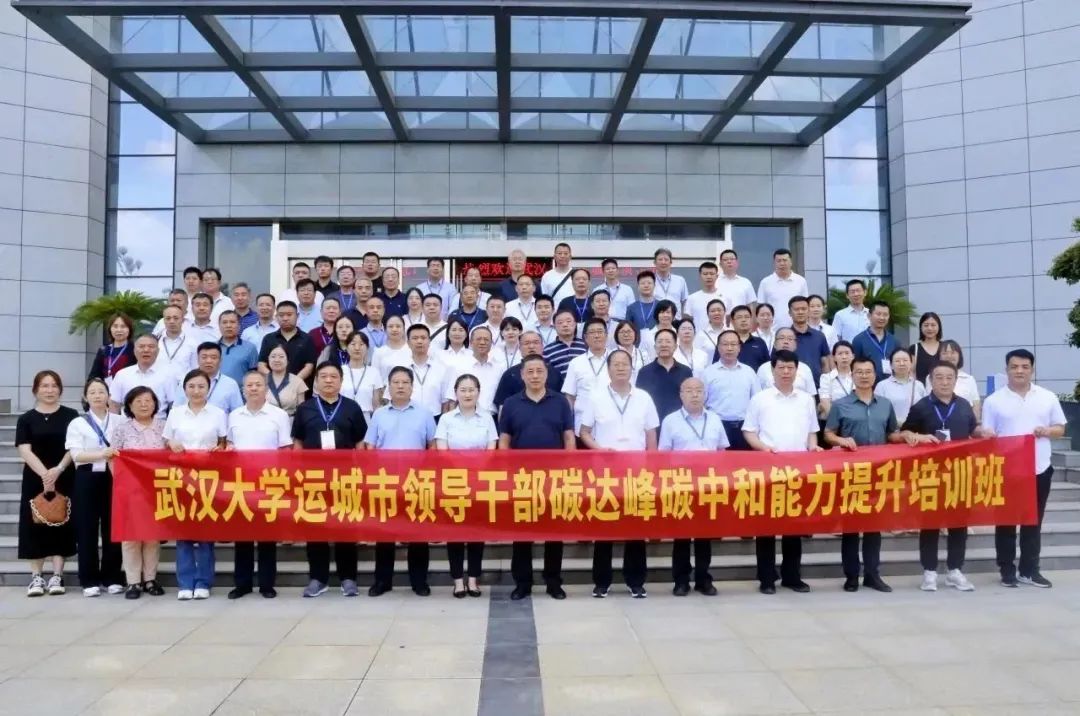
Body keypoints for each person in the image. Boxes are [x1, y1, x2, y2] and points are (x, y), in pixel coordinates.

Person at [983, 349, 1067, 589]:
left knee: (1033, 521)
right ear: (1006, 370)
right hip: (1006, 471)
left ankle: (1029, 570)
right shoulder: (994, 401)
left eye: (1024, 367)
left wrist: (1047, 431)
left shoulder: (1047, 397)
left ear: (1032, 369)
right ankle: (1006, 570)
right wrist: (988, 435)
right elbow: (987, 434)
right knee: (1006, 521)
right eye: (1014, 366)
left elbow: (1060, 428)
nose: (1019, 371)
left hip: (1039, 468)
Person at [580, 350, 660, 598]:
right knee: (604, 526)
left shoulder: (644, 397)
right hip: (605, 472)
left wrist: (652, 465)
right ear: (608, 369)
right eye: (616, 364)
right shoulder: (596, 397)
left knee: (635, 527)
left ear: (632, 368)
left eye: (625, 364)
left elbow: (651, 434)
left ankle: (635, 581)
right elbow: (584, 432)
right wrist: (599, 450)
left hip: (637, 471)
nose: (621, 368)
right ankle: (601, 582)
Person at [743, 349, 820, 594]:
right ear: (773, 370)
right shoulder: (760, 399)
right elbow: (749, 431)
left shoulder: (806, 399)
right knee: (766, 527)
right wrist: (764, 448)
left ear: (797, 370)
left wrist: (813, 447)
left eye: (790, 368)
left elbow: (812, 432)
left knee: (794, 527)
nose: (786, 372)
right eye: (781, 367)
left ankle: (792, 576)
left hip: (798, 471)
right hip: (768, 470)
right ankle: (766, 578)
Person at [824, 356, 903, 593]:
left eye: (868, 372)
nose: (864, 376)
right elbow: (828, 434)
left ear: (875, 375)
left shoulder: (885, 404)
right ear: (852, 375)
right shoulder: (841, 405)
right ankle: (851, 576)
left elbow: (891, 434)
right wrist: (841, 440)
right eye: (859, 372)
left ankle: (872, 574)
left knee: (873, 527)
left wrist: (907, 436)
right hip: (850, 473)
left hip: (878, 472)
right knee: (850, 527)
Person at [900, 361, 980, 592]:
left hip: (960, 473)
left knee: (959, 524)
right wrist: (916, 437)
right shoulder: (921, 407)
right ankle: (929, 572)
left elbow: (973, 430)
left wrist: (983, 432)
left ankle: (955, 570)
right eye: (939, 377)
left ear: (955, 380)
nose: (944, 382)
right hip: (929, 475)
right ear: (931, 381)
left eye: (949, 377)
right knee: (930, 524)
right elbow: (904, 432)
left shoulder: (964, 405)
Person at [499, 355, 573, 600]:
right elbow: (504, 440)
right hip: (522, 478)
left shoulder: (560, 402)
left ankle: (553, 582)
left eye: (539, 371)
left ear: (547, 374)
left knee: (555, 533)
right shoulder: (511, 403)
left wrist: (570, 468)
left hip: (555, 478)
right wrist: (505, 471)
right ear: (522, 375)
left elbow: (569, 437)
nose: (534, 376)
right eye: (529, 371)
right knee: (522, 534)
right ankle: (523, 583)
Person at [293, 362, 368, 598]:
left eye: (333, 376)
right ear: (315, 381)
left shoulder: (352, 408)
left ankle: (348, 578)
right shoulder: (305, 408)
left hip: (344, 478)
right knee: (315, 530)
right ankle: (318, 578)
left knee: (345, 529)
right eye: (323, 376)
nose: (328, 380)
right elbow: (298, 442)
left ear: (341, 381)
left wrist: (360, 473)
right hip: (313, 478)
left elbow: (360, 443)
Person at [365, 366, 436, 597]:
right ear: (389, 386)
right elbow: (370, 447)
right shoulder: (379, 414)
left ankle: (419, 582)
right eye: (396, 382)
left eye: (405, 382)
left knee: (418, 535)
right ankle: (382, 581)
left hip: (416, 482)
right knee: (385, 535)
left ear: (412, 387)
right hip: (386, 482)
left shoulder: (424, 413)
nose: (400, 386)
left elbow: (432, 446)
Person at [659, 376, 727, 596]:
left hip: (708, 485)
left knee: (704, 536)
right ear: (681, 395)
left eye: (698, 390)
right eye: (689, 391)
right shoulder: (670, 421)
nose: (694, 394)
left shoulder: (715, 419)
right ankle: (680, 581)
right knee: (681, 536)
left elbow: (722, 452)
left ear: (705, 394)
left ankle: (703, 579)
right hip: (682, 485)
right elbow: (664, 456)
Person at [227, 371, 292, 600]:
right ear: (243, 389)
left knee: (267, 536)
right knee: (242, 536)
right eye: (249, 385)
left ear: (266, 388)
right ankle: (242, 584)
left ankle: (267, 584)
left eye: (258, 384)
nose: (253, 388)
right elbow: (230, 446)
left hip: (269, 482)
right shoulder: (234, 415)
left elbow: (285, 449)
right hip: (240, 482)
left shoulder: (279, 415)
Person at [164, 369, 227, 600]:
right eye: (191, 386)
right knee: (183, 532)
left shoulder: (218, 414)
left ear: (208, 388)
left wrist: (219, 449)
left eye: (201, 386)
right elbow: (166, 441)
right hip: (181, 477)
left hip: (208, 478)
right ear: (184, 389)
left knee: (205, 532)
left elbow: (223, 443)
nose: (196, 391)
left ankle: (203, 581)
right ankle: (185, 582)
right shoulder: (175, 413)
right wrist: (171, 443)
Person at [435, 374, 497, 598]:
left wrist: (476, 469)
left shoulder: (487, 418)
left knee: (476, 533)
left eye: (472, 390)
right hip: (454, 482)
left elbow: (492, 448)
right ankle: (457, 581)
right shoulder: (446, 419)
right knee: (455, 533)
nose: (468, 394)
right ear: (456, 393)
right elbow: (442, 450)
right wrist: (462, 467)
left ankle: (473, 579)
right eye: (463, 390)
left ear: (478, 392)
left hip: (479, 482)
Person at [18, 370, 78, 597]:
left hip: (64, 475)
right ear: (36, 390)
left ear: (60, 389)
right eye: (44, 386)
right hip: (35, 478)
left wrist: (57, 470)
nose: (50, 390)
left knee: (60, 522)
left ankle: (57, 575)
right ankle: (36, 577)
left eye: (54, 385)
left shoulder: (71, 415)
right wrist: (45, 475)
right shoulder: (26, 419)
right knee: (34, 525)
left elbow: (74, 446)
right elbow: (24, 449)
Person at [66, 377, 123, 598]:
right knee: (86, 528)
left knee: (113, 527)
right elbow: (76, 454)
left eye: (101, 391)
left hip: (114, 477)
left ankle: (112, 577)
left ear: (109, 396)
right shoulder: (77, 423)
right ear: (85, 397)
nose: (97, 396)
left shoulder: (119, 421)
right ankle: (88, 579)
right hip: (87, 477)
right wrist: (101, 454)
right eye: (92, 392)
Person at [111, 386, 166, 598]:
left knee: (152, 535)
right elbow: (113, 458)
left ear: (155, 404)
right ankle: (133, 581)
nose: (144, 405)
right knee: (131, 536)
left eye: (148, 400)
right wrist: (120, 482)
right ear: (129, 406)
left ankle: (150, 579)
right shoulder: (122, 429)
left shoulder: (163, 427)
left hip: (156, 489)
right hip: (129, 490)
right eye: (138, 401)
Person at [702, 330, 759, 450]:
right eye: (725, 344)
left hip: (745, 428)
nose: (729, 348)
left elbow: (757, 401)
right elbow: (702, 402)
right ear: (718, 348)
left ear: (739, 348)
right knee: (718, 461)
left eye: (733, 344)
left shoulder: (749, 372)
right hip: (717, 426)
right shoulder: (707, 373)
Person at [562, 318, 612, 435]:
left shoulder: (616, 359)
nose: (596, 336)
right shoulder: (576, 363)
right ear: (585, 337)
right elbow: (570, 397)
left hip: (611, 426)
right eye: (592, 332)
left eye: (600, 332)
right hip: (582, 426)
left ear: (606, 335)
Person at [444, 325, 505, 417]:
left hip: (492, 418)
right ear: (471, 342)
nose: (482, 342)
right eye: (478, 339)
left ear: (491, 344)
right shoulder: (460, 367)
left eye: (486, 340)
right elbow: (452, 399)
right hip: (465, 417)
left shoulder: (499, 368)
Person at [494, 331, 559, 414]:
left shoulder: (554, 373)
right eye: (527, 343)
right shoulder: (510, 374)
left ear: (542, 346)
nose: (531, 346)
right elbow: (502, 406)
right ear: (519, 348)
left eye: (535, 343)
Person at [637, 327, 693, 422]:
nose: (664, 345)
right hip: (653, 424)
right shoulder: (644, 372)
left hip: (680, 423)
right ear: (655, 347)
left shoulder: (686, 371)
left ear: (675, 347)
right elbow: (639, 401)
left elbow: (689, 399)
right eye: (660, 342)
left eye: (668, 341)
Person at [109, 334, 174, 414]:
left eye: (151, 346)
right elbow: (114, 404)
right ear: (134, 350)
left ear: (158, 351)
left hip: (158, 421)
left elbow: (173, 404)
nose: (146, 350)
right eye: (141, 346)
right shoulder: (122, 375)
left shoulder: (168, 375)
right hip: (127, 421)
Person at [258, 301, 317, 386]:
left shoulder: (307, 339)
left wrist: (293, 382)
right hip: (273, 387)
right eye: (281, 315)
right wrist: (275, 380)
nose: (285, 318)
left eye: (289, 315)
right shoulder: (268, 339)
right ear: (276, 317)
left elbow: (309, 365)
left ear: (297, 316)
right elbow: (261, 364)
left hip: (299, 387)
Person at [175, 343, 243, 414]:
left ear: (220, 360)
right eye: (204, 357)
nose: (208, 361)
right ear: (197, 359)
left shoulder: (230, 384)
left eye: (213, 357)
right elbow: (176, 408)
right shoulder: (186, 381)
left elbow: (237, 413)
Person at [404, 324, 452, 418]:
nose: (419, 341)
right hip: (406, 417)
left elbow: (445, 402)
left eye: (423, 338)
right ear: (408, 343)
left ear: (429, 342)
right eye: (415, 338)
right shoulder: (401, 368)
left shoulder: (441, 369)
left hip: (435, 417)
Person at [756, 249, 808, 329]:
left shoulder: (801, 281)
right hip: (772, 330)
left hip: (797, 329)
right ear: (774, 263)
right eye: (779, 261)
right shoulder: (765, 282)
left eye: (785, 260)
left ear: (791, 262)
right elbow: (760, 308)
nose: (782, 263)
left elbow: (805, 306)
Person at [930, 339, 981, 420]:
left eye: (953, 352)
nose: (949, 356)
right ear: (939, 356)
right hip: (937, 422)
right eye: (944, 353)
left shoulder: (969, 379)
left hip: (964, 423)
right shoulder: (931, 377)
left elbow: (976, 404)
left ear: (959, 356)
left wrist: (974, 423)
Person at [874, 347, 926, 424]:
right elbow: (877, 411)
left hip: (916, 429)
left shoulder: (919, 385)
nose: (902, 363)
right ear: (891, 365)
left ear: (911, 364)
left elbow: (926, 409)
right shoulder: (882, 386)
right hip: (892, 429)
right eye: (897, 361)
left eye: (905, 360)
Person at [756, 328, 816, 394]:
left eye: (790, 339)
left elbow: (811, 396)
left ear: (796, 345)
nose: (786, 342)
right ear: (775, 344)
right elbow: (758, 395)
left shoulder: (805, 369)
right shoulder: (763, 368)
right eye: (782, 338)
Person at [789, 296, 832, 386]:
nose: (800, 312)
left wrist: (826, 386)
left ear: (808, 311)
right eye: (796, 309)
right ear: (790, 313)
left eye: (804, 309)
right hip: (792, 387)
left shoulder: (819, 336)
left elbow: (825, 363)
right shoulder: (784, 337)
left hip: (817, 387)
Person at [851, 300, 897, 384]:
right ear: (869, 316)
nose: (882, 318)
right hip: (867, 386)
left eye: (885, 315)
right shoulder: (859, 340)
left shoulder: (894, 340)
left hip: (891, 386)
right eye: (878, 314)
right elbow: (854, 365)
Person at [340, 331, 384, 419]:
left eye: (361, 344)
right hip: (342, 417)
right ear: (347, 347)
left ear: (367, 348)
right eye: (353, 344)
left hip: (365, 417)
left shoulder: (374, 372)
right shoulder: (339, 371)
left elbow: (376, 404)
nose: (357, 348)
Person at [88, 314, 135, 385]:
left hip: (128, 389)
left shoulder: (135, 350)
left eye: (123, 326)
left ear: (129, 329)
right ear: (110, 329)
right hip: (107, 390)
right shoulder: (103, 350)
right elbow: (93, 376)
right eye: (115, 326)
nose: (119, 330)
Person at [155, 305, 197, 381]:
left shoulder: (192, 343)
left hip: (182, 385)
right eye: (168, 318)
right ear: (163, 320)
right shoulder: (155, 342)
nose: (172, 321)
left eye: (176, 318)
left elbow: (195, 369)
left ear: (182, 320)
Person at [265, 344, 308, 416]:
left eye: (281, 357)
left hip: (289, 420)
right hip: (266, 420)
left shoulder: (297, 381)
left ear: (287, 360)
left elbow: (301, 411)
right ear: (268, 359)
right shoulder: (260, 380)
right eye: (273, 356)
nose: (277, 360)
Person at [542, 309, 586, 380]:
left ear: (575, 324)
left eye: (568, 321)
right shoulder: (547, 350)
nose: (565, 325)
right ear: (554, 326)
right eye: (560, 322)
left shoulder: (585, 345)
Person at [217, 310, 259, 385]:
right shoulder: (212, 348)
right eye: (224, 322)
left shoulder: (250, 348)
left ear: (239, 326)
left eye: (232, 322)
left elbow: (253, 376)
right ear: (219, 326)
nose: (228, 325)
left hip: (240, 391)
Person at [818, 340, 855, 419]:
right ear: (834, 357)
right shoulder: (826, 378)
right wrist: (838, 421)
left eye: (847, 353)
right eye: (840, 353)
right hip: (834, 421)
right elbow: (825, 403)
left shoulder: (858, 376)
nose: (844, 357)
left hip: (856, 421)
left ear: (853, 356)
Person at [372, 314, 411, 389]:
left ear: (404, 329)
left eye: (398, 326)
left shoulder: (411, 350)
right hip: (386, 393)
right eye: (390, 326)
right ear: (385, 329)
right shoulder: (378, 352)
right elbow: (375, 379)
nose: (394, 329)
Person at [685, 261, 725, 330]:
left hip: (721, 335)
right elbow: (688, 321)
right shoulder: (692, 298)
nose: (709, 277)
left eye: (712, 274)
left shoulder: (725, 297)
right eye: (705, 274)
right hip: (698, 335)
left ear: (717, 276)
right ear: (700, 276)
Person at [716, 249, 757, 314]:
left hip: (741, 319)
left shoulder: (746, 282)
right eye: (725, 260)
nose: (729, 261)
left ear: (737, 263)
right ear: (720, 264)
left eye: (732, 259)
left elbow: (751, 306)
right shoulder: (715, 282)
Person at [730, 305, 770, 371]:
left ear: (751, 320)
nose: (743, 320)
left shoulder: (760, 342)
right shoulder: (725, 342)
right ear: (732, 321)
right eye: (739, 317)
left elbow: (767, 367)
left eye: (747, 317)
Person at [652, 247, 688, 316]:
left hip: (676, 320)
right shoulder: (650, 281)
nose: (663, 262)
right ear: (655, 263)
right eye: (660, 259)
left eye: (666, 260)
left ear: (671, 262)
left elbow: (685, 302)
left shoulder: (680, 280)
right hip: (656, 320)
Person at [910, 312, 943, 384]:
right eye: (926, 325)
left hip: (942, 388)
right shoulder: (914, 348)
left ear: (939, 327)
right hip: (921, 389)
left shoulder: (945, 347)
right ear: (921, 327)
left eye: (933, 325)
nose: (929, 328)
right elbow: (912, 372)